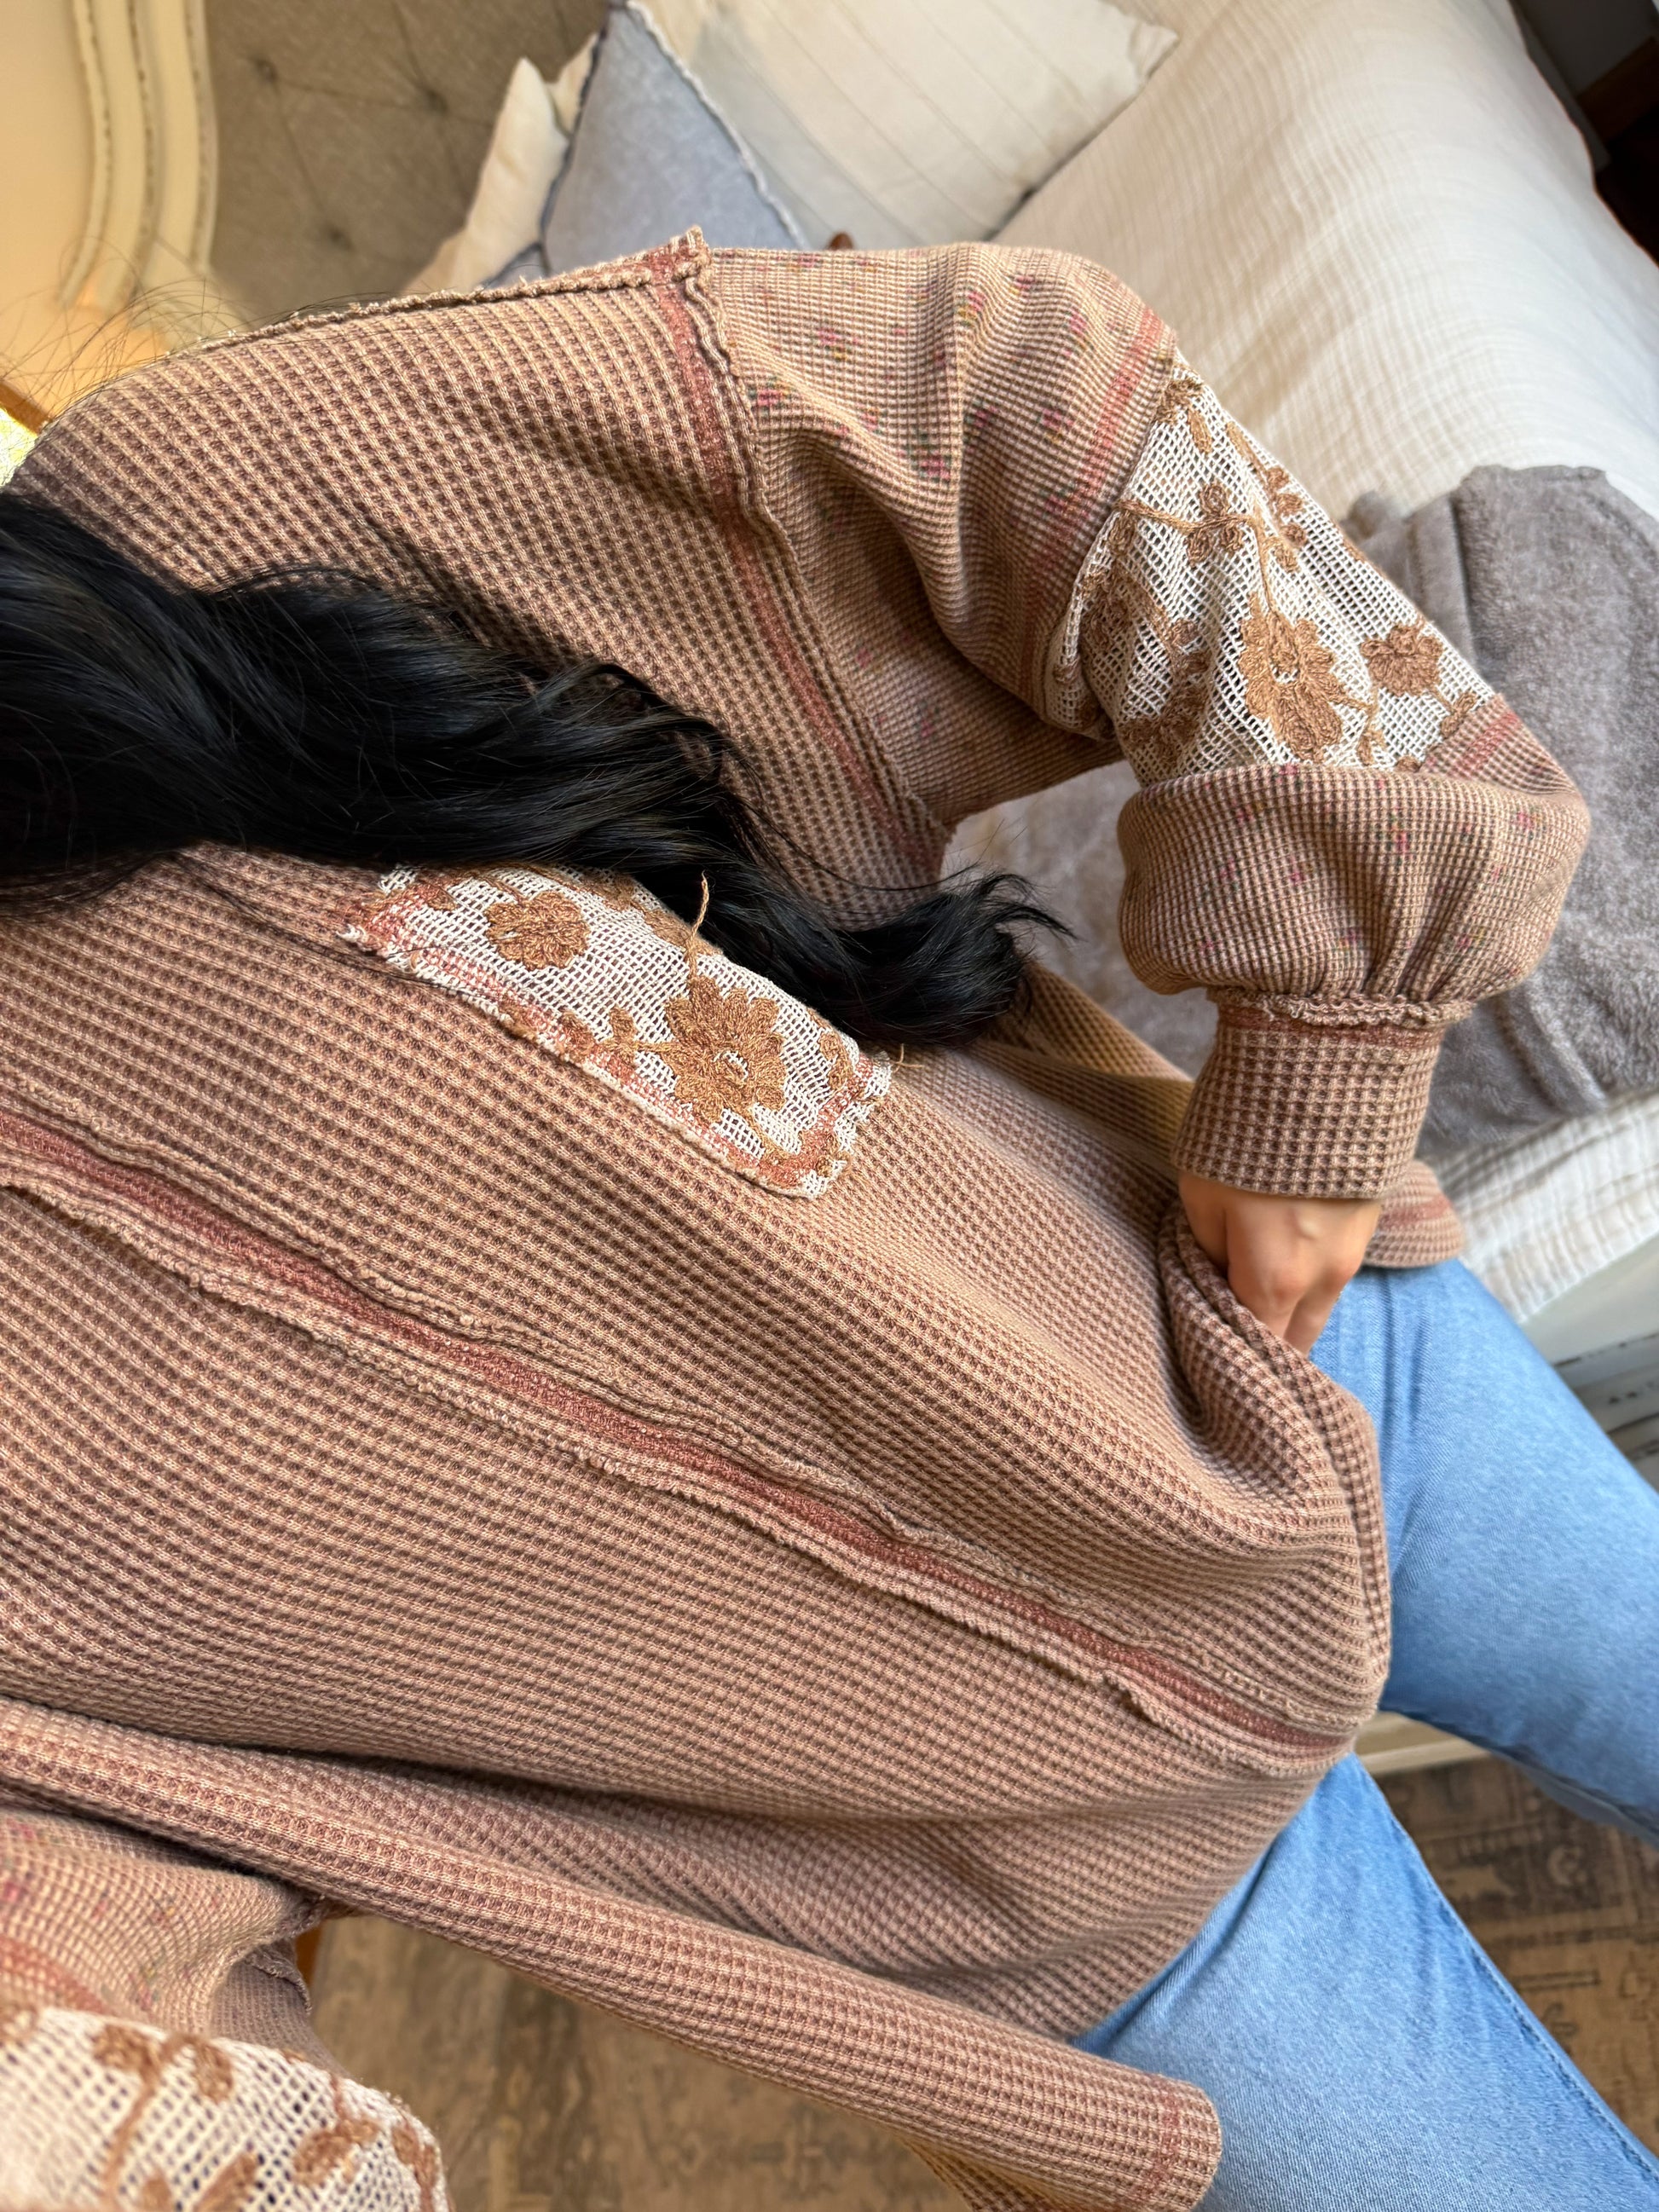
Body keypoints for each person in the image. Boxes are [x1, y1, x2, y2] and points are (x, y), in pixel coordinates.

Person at [0, 233, 1652, 2212]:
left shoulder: (181, 514)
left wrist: (1323, 1052)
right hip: (1063, 1913)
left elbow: (1012, 408)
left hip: (1299, 1375)